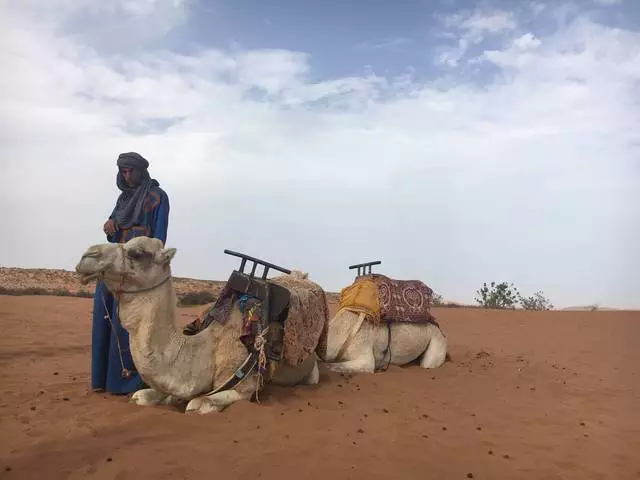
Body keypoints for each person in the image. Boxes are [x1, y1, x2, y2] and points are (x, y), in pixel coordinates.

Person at [91, 152, 170, 394]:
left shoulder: (158, 197)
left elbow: (158, 237)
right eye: (123, 172)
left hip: (139, 269)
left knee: (127, 322)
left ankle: (127, 382)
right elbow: (114, 227)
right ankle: (102, 380)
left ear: (140, 171)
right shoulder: (123, 199)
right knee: (103, 313)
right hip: (116, 263)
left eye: (130, 171)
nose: (127, 175)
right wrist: (109, 226)